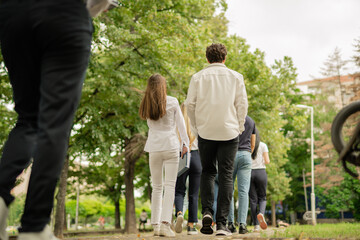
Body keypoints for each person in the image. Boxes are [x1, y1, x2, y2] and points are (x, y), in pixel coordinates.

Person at [0, 1, 93, 240]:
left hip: (14, 14)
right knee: (55, 124)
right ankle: (34, 226)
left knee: (28, 119)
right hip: (65, 13)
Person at [185, 43, 248, 236]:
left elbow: (190, 105)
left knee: (208, 172)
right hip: (229, 132)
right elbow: (242, 104)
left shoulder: (197, 77)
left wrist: (197, 128)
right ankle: (221, 224)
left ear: (207, 58)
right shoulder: (236, 77)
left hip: (206, 132)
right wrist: (239, 126)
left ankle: (206, 213)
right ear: (225, 58)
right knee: (226, 175)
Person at [139, 74, 189, 238]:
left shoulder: (146, 104)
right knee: (170, 186)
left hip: (154, 147)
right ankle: (165, 225)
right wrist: (185, 144)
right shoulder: (173, 101)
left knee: (157, 187)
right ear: (163, 86)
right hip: (170, 146)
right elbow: (181, 127)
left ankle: (155, 226)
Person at [213, 116, 256, 234]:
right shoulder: (251, 121)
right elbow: (253, 143)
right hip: (245, 155)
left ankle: (230, 223)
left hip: (230, 156)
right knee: (243, 191)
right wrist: (246, 153)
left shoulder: (229, 118)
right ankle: (242, 224)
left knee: (228, 190)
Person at [174, 104, 202, 235]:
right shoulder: (197, 124)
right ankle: (191, 226)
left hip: (182, 156)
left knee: (179, 190)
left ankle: (179, 213)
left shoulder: (177, 123)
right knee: (194, 194)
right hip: (196, 157)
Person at [249, 140, 270, 232]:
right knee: (262, 197)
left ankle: (256, 225)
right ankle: (261, 213)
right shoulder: (263, 145)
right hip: (261, 172)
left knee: (253, 200)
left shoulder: (247, 145)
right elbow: (267, 161)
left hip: (249, 172)